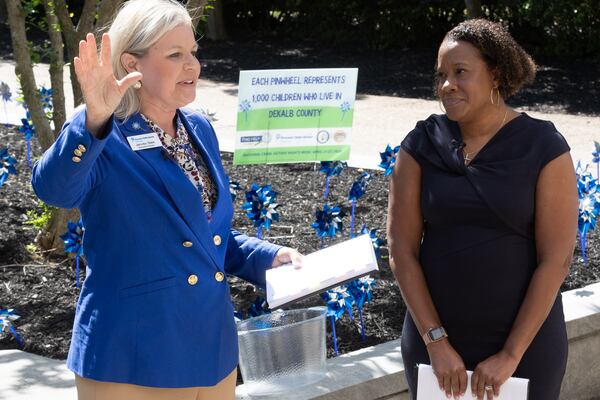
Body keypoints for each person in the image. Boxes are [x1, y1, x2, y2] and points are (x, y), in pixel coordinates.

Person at [31, 1, 302, 399]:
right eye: (175, 55)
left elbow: (202, 235)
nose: (192, 66)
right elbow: (53, 189)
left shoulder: (199, 130)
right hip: (132, 359)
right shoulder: (102, 132)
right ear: (131, 64)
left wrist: (267, 256)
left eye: (193, 52)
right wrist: (91, 122)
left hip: (211, 351)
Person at [387, 19, 578, 400]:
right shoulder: (421, 144)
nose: (446, 85)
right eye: (441, 74)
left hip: (525, 348)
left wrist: (510, 354)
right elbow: (400, 250)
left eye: (460, 72)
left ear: (496, 73)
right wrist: (436, 341)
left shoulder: (544, 146)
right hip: (435, 348)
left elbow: (555, 260)